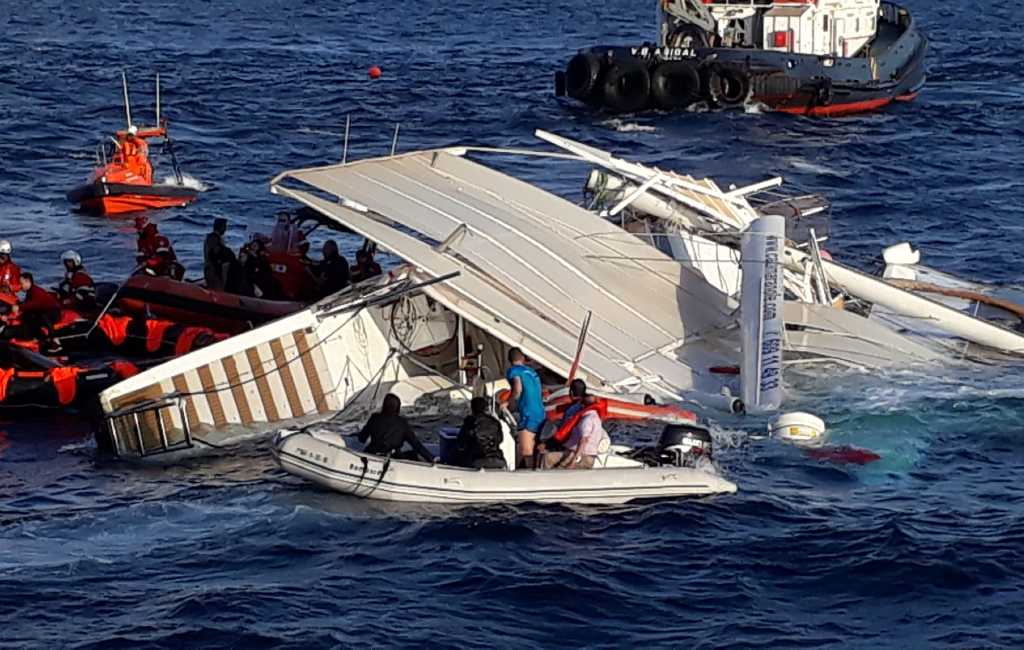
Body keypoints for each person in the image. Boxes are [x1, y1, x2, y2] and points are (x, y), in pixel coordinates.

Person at [357, 393, 436, 462]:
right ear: (398, 408)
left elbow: (361, 438)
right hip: (392, 458)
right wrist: (432, 458)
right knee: (413, 454)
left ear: (384, 405)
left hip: (372, 455)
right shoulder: (402, 423)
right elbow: (416, 445)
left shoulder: (374, 418)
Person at [542, 395, 610, 470]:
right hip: (588, 455)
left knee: (547, 458)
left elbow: (584, 440)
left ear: (582, 405)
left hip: (583, 456)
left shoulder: (587, 420)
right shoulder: (596, 417)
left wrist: (574, 460)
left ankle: (543, 479)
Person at [505, 347, 545, 469]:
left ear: (509, 360)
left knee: (526, 450)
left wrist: (507, 402)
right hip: (540, 412)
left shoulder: (513, 371)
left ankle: (528, 477)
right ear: (522, 358)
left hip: (528, 414)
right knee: (535, 447)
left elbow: (517, 389)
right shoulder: (532, 372)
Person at [454, 397, 507, 469]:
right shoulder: (494, 421)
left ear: (472, 408)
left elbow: (461, 442)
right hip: (498, 459)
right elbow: (500, 439)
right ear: (485, 408)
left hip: (477, 460)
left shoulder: (470, 422)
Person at [7, 272, 61, 341]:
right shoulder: (30, 292)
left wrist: (20, 307)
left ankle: (53, 338)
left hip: (53, 313)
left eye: (21, 283)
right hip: (46, 312)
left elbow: (35, 304)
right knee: (27, 316)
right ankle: (30, 335)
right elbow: (28, 304)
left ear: (28, 281)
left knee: (40, 315)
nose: (20, 286)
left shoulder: (36, 291)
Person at [203, 217, 236, 291]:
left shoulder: (214, 238)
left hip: (213, 269)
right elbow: (215, 254)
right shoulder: (213, 238)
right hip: (213, 270)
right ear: (220, 227)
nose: (225, 229)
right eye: (224, 226)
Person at [0, 240, 22, 305]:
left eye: (4, 254)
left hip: (7, 299)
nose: (2, 256)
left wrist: (10, 287)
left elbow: (19, 286)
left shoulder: (13, 268)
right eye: (0, 254)